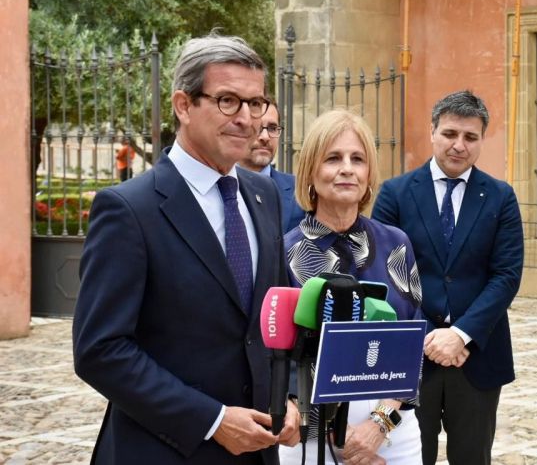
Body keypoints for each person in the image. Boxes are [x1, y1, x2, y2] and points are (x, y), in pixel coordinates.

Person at [72, 34, 301, 464]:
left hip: (257, 452)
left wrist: (289, 396)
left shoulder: (264, 195)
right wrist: (212, 420)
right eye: (228, 101)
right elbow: (100, 351)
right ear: (183, 105)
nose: (246, 119)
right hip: (161, 451)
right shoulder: (128, 209)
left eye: (255, 103)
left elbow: (277, 316)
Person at [371, 90, 524, 465]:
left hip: (477, 356)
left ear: (481, 140)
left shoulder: (501, 197)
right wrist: (429, 337)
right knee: (408, 458)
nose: (459, 145)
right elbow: (384, 275)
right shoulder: (395, 193)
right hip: (411, 355)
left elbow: (506, 275)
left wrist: (460, 334)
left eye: (470, 137)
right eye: (450, 133)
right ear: (432, 132)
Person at [279, 109, 423, 465]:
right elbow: (274, 358)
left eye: (357, 159)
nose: (347, 168)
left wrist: (380, 424)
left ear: (369, 174)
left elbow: (413, 344)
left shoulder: (396, 244)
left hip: (392, 434)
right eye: (333, 158)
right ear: (311, 172)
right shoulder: (283, 253)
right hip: (310, 441)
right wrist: (330, 432)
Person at [238, 102, 306, 233]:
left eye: (272, 128)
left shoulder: (300, 189)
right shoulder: (217, 187)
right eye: (256, 126)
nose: (265, 137)